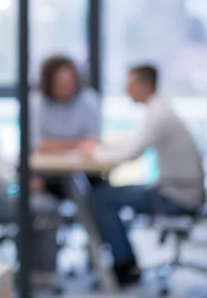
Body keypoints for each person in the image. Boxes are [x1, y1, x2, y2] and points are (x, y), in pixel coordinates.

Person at [81, 65, 205, 286]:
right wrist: (102, 146)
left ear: (144, 85)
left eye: (130, 85)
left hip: (175, 195)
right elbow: (133, 141)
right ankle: (123, 260)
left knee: (100, 199)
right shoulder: (159, 109)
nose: (126, 91)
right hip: (177, 188)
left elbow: (131, 152)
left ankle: (125, 266)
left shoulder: (159, 114)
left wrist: (96, 151)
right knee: (103, 195)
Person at [30, 54, 104, 196]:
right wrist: (76, 145)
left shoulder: (89, 101)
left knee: (98, 192)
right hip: (46, 174)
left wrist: (55, 145)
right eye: (60, 82)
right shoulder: (36, 103)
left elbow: (93, 142)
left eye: (69, 81)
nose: (66, 86)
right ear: (49, 82)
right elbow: (38, 144)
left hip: (85, 173)